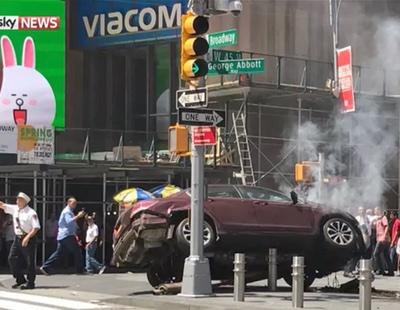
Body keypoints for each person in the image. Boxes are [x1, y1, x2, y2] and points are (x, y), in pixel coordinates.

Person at [0, 192, 41, 289]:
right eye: (17, 199)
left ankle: (31, 282)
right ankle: (20, 279)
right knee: (12, 258)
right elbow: (2, 205)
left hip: (28, 238)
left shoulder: (31, 213)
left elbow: (36, 227)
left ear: (24, 201)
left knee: (30, 262)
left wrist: (27, 238)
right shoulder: (15, 208)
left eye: (19, 200)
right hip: (17, 238)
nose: (17, 201)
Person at [40, 197, 86, 275]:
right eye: (73, 203)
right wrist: (78, 216)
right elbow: (69, 221)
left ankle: (45, 266)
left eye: (75, 203)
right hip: (67, 235)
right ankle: (80, 270)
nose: (75, 205)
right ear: (68, 203)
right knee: (77, 251)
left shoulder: (69, 211)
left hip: (63, 235)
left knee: (59, 253)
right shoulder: (67, 211)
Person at [373, 207, 394, 276]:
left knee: (376, 254)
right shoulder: (378, 219)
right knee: (386, 255)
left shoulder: (383, 218)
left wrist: (384, 236)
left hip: (382, 239)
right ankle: (391, 271)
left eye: (376, 210)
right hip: (382, 238)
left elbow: (386, 226)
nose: (375, 212)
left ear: (379, 211)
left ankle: (381, 270)